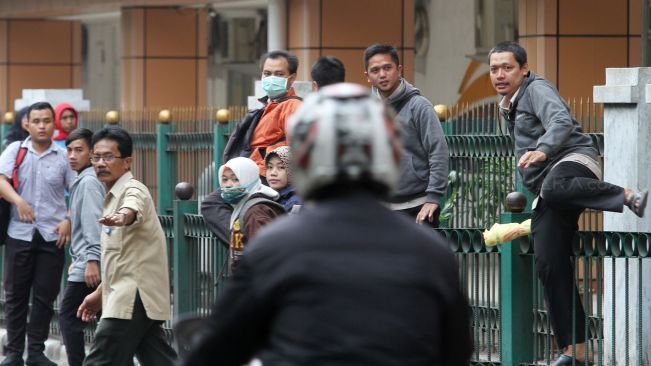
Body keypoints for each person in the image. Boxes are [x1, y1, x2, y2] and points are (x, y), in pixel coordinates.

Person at [181, 83, 472, 366]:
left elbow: (218, 348)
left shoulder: (274, 247)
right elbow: (456, 350)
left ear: (304, 159)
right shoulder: (429, 251)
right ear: (393, 156)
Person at [489, 41, 647, 366]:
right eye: (494, 69)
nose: (500, 74)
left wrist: (544, 150)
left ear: (523, 69)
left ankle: (624, 195)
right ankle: (576, 350)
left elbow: (561, 122)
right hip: (550, 186)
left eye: (507, 67)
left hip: (574, 161)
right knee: (548, 261)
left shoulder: (536, 89)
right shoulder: (509, 104)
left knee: (556, 185)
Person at [76, 126, 177, 366]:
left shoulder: (134, 189)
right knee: (159, 360)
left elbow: (133, 206)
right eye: (96, 157)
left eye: (109, 157)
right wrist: (99, 294)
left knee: (100, 361)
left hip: (132, 299)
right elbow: (121, 259)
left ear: (127, 161)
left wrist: (123, 216)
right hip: (131, 296)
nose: (101, 163)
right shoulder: (110, 197)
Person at [0, 102, 76, 366]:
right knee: (16, 295)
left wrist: (68, 220)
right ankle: (13, 353)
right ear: (26, 124)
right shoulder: (15, 150)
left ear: (53, 124)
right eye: (37, 121)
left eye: (46, 121)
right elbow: (1, 180)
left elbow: (76, 190)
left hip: (52, 235)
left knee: (45, 296)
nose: (42, 126)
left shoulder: (63, 156)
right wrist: (19, 202)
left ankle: (35, 352)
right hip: (18, 234)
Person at [363, 43, 449, 227]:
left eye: (387, 68)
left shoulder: (419, 106)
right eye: (375, 70)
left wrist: (433, 198)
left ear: (399, 69)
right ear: (367, 76)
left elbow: (438, 150)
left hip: (418, 206)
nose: (382, 74)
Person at [58, 128, 104, 366]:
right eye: (69, 150)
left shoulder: (88, 182)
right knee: (104, 320)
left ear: (91, 153)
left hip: (90, 266)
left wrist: (91, 261)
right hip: (85, 262)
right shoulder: (84, 180)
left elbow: (92, 223)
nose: (72, 156)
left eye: (79, 150)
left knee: (69, 318)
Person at [222, 50, 302, 177]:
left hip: (266, 175)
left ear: (292, 78)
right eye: (267, 73)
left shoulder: (293, 107)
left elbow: (295, 148)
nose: (271, 78)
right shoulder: (266, 106)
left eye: (279, 74)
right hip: (247, 172)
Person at [217, 157, 285, 272]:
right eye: (225, 179)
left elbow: (264, 255)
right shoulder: (243, 206)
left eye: (235, 179)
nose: (228, 185)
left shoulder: (256, 211)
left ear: (248, 179)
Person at [264, 145, 302, 212]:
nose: (273, 173)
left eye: (281, 167)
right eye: (270, 167)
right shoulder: (271, 196)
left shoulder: (295, 201)